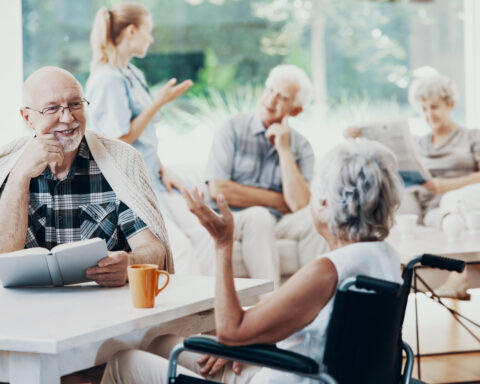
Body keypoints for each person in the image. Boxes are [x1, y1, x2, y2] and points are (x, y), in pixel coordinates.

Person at [100, 139, 403, 384]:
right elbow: (313, 326)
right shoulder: (386, 259)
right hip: (311, 371)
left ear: (324, 204)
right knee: (161, 343)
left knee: (123, 362)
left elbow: (232, 331)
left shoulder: (328, 271)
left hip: (289, 376)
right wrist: (247, 341)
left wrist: (223, 243)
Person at [0, 66, 173, 288]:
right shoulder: (7, 164)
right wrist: (20, 175)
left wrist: (131, 262)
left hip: (104, 307)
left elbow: (154, 249)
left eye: (75, 104)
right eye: (52, 108)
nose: (68, 117)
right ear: (27, 117)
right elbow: (3, 258)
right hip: (26, 310)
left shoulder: (121, 161)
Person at [86, 1, 201, 275]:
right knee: (180, 248)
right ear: (131, 31)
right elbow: (120, 140)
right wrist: (158, 102)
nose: (150, 39)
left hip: (155, 178)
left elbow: (145, 136)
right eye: (148, 31)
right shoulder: (107, 79)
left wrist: (163, 168)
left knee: (204, 231)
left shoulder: (133, 73)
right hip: (133, 186)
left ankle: (214, 310)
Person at [205, 64, 328, 288]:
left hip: (278, 220)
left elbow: (300, 204)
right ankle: (271, 308)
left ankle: (316, 300)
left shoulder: (301, 146)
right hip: (234, 217)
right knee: (259, 217)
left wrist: (284, 149)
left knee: (317, 216)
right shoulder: (232, 128)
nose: (271, 100)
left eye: (282, 97)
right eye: (270, 90)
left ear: (296, 110)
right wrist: (278, 201)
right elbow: (219, 190)